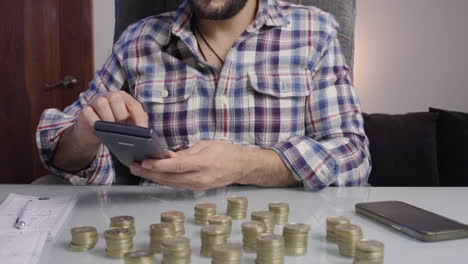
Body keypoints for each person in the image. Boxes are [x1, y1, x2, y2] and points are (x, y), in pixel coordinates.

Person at [36, 0, 371, 191]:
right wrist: (83, 135)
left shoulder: (314, 32)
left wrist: (246, 164)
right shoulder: (138, 41)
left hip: (279, 237)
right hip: (160, 238)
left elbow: (352, 157)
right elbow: (59, 151)